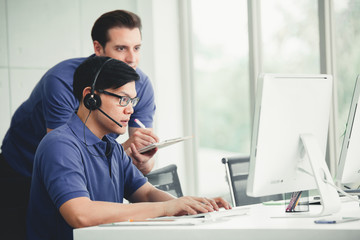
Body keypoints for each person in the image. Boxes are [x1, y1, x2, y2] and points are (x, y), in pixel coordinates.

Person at [26, 56, 231, 240]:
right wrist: (166, 208)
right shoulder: (60, 145)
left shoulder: (112, 148)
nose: (130, 109)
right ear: (90, 97)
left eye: (132, 100)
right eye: (123, 99)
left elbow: (146, 193)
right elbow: (81, 214)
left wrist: (192, 206)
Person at [0, 10, 157, 239]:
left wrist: (142, 158)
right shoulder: (62, 82)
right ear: (98, 48)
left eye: (137, 48)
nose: (131, 59)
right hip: (21, 167)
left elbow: (138, 167)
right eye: (121, 48)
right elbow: (69, 150)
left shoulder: (138, 86)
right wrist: (163, 209)